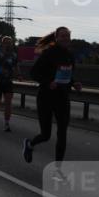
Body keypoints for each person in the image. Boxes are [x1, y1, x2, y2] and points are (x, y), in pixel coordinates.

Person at [22, 26, 82, 177]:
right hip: (46, 97)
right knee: (46, 135)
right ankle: (29, 144)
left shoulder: (69, 55)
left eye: (67, 36)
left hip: (62, 98)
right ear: (56, 38)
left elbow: (67, 74)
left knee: (62, 133)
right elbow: (34, 73)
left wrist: (74, 83)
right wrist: (48, 82)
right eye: (62, 36)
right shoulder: (48, 53)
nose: (65, 39)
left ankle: (58, 169)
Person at [0, 36, 18, 131]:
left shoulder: (13, 55)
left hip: (8, 82)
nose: (8, 44)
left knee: (8, 102)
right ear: (2, 44)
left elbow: (16, 65)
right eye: (6, 43)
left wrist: (19, 74)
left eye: (10, 42)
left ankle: (6, 124)